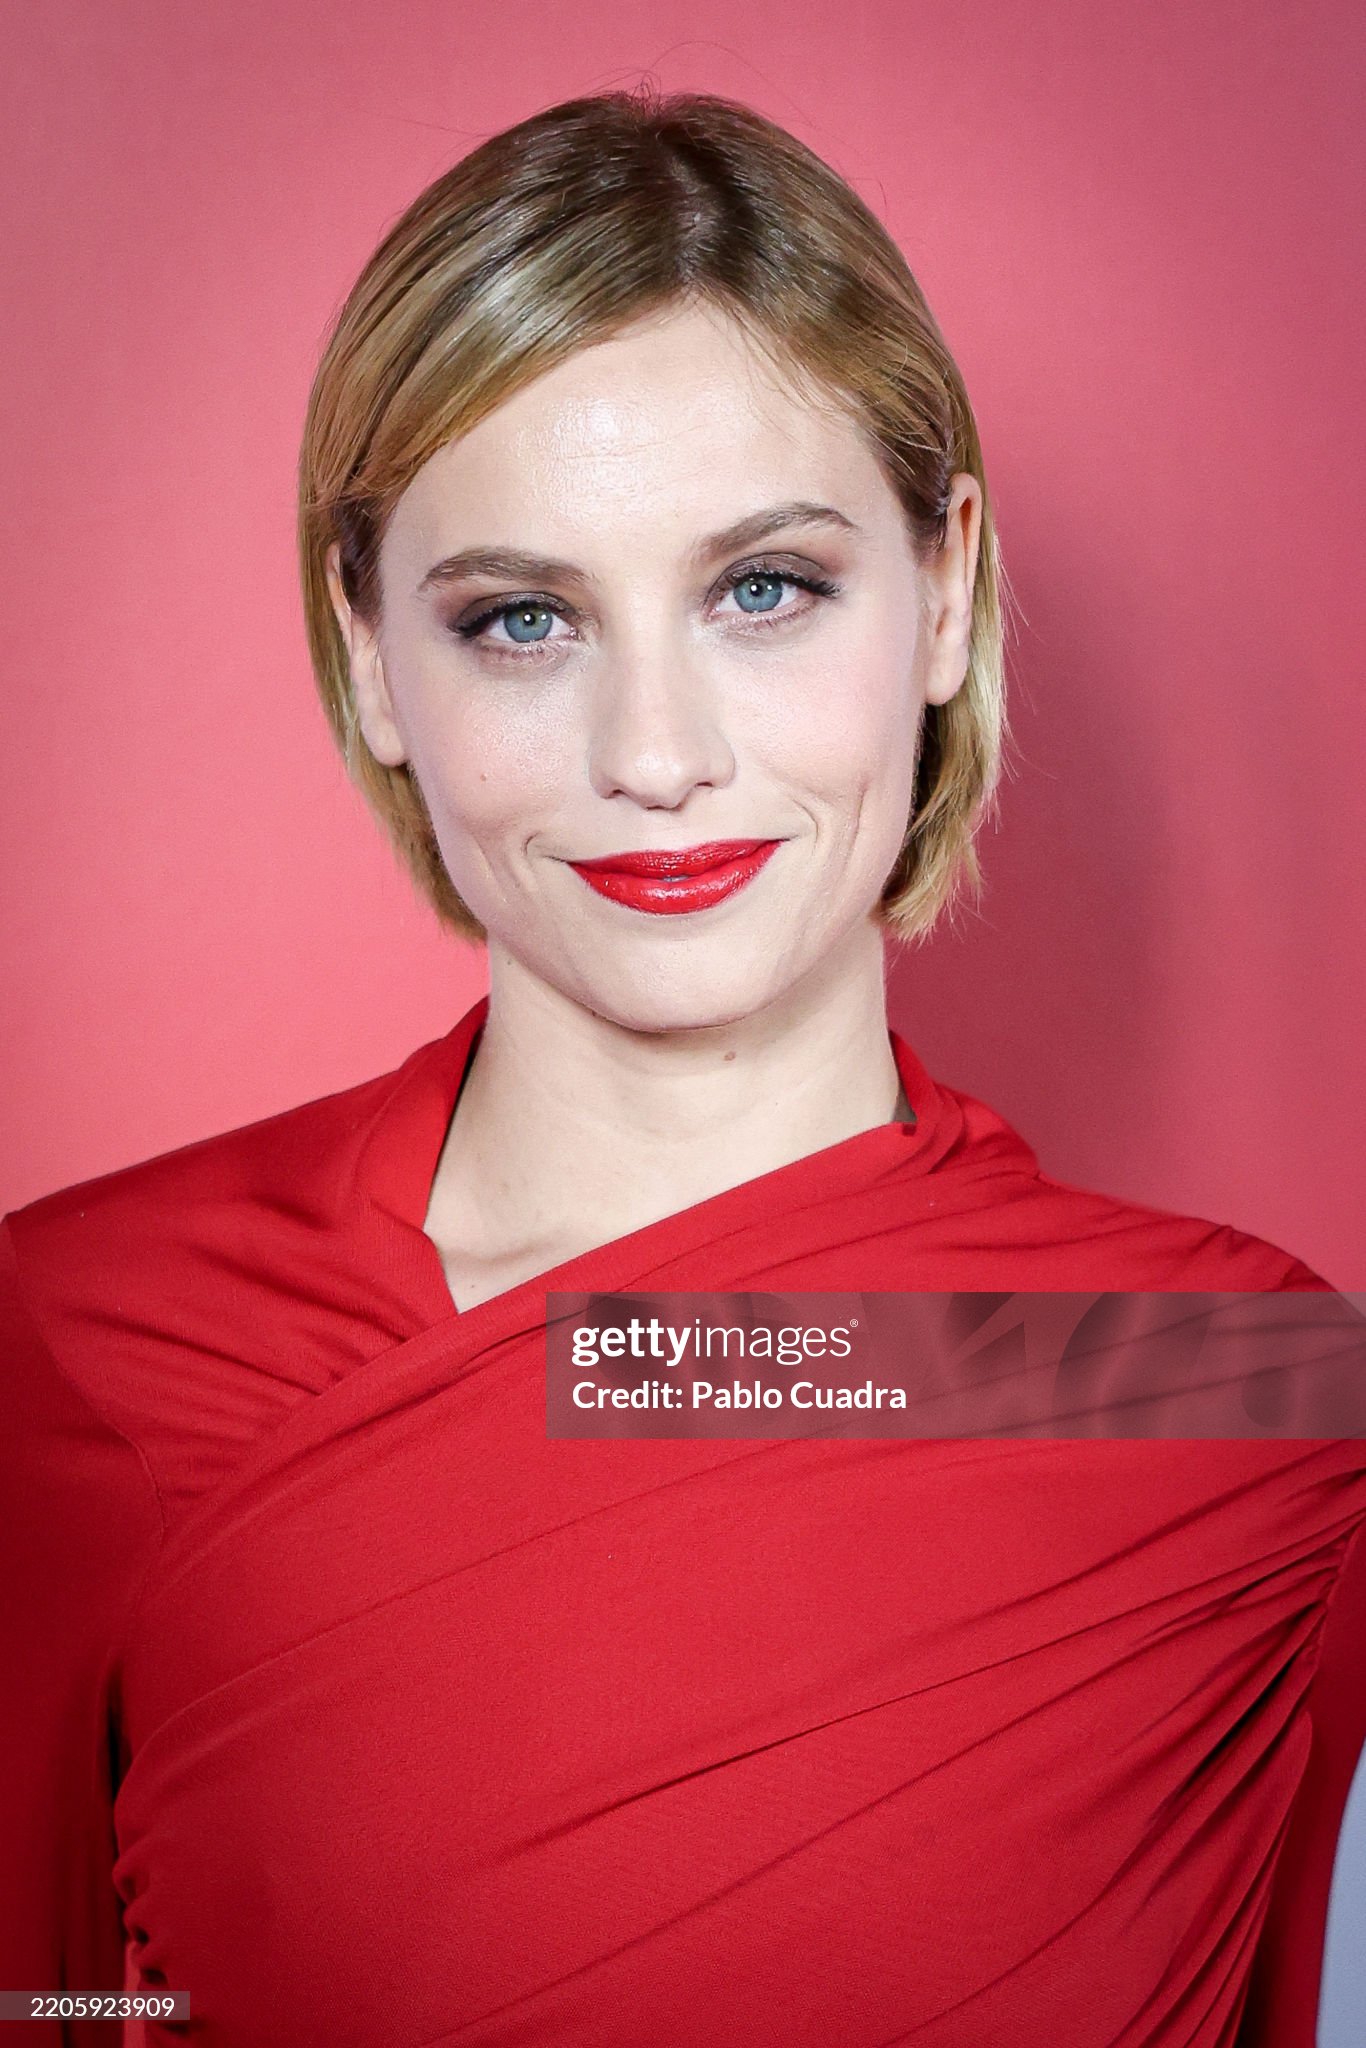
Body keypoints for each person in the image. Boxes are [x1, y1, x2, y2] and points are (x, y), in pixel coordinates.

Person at [2, 87, 1362, 2048]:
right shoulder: (87, 1337)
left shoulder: (1232, 1395)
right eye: (521, 620)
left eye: (763, 589)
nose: (655, 754)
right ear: (371, 654)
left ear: (943, 588)